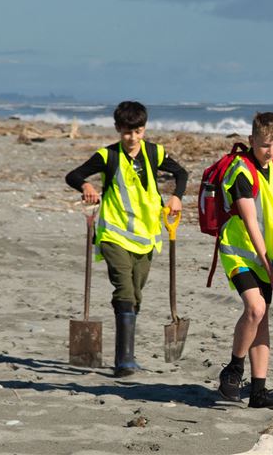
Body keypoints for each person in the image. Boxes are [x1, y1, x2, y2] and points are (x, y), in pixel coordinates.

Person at [65, 101, 188, 377]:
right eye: (126, 132)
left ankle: (127, 352)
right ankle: (124, 361)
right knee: (124, 290)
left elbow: (181, 173)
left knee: (136, 294)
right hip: (114, 235)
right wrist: (85, 185)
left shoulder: (154, 153)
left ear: (144, 129)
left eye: (138, 131)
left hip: (146, 237)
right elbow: (73, 175)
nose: (132, 138)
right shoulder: (107, 156)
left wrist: (177, 196)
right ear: (118, 130)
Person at [215, 112, 273, 410]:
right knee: (254, 308)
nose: (271, 152)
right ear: (251, 141)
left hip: (265, 254)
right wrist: (268, 264)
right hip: (238, 250)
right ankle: (233, 368)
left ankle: (258, 392)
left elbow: (272, 210)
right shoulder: (240, 171)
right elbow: (250, 220)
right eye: (265, 145)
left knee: (263, 317)